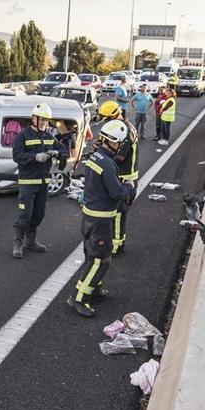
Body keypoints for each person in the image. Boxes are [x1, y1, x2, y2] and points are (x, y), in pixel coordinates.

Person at [68, 120, 133, 317]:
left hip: (90, 217)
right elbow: (116, 193)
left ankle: (94, 290)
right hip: (101, 220)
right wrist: (129, 186)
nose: (120, 146)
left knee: (91, 256)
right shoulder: (107, 163)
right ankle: (79, 298)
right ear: (114, 142)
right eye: (119, 143)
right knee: (100, 260)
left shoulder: (94, 157)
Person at [10, 103, 67, 259]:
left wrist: (57, 153)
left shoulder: (49, 136)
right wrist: (34, 157)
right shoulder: (23, 136)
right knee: (25, 215)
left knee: (38, 215)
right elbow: (17, 156)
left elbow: (63, 150)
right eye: (41, 119)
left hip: (43, 183)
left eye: (46, 120)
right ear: (34, 119)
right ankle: (18, 243)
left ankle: (31, 241)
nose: (44, 123)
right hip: (28, 183)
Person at [99, 101, 139, 255]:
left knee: (118, 214)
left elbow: (119, 157)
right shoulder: (122, 127)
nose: (106, 123)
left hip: (125, 178)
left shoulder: (125, 132)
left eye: (107, 119)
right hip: (123, 176)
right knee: (118, 215)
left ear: (115, 115)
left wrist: (102, 153)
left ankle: (116, 246)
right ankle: (119, 242)